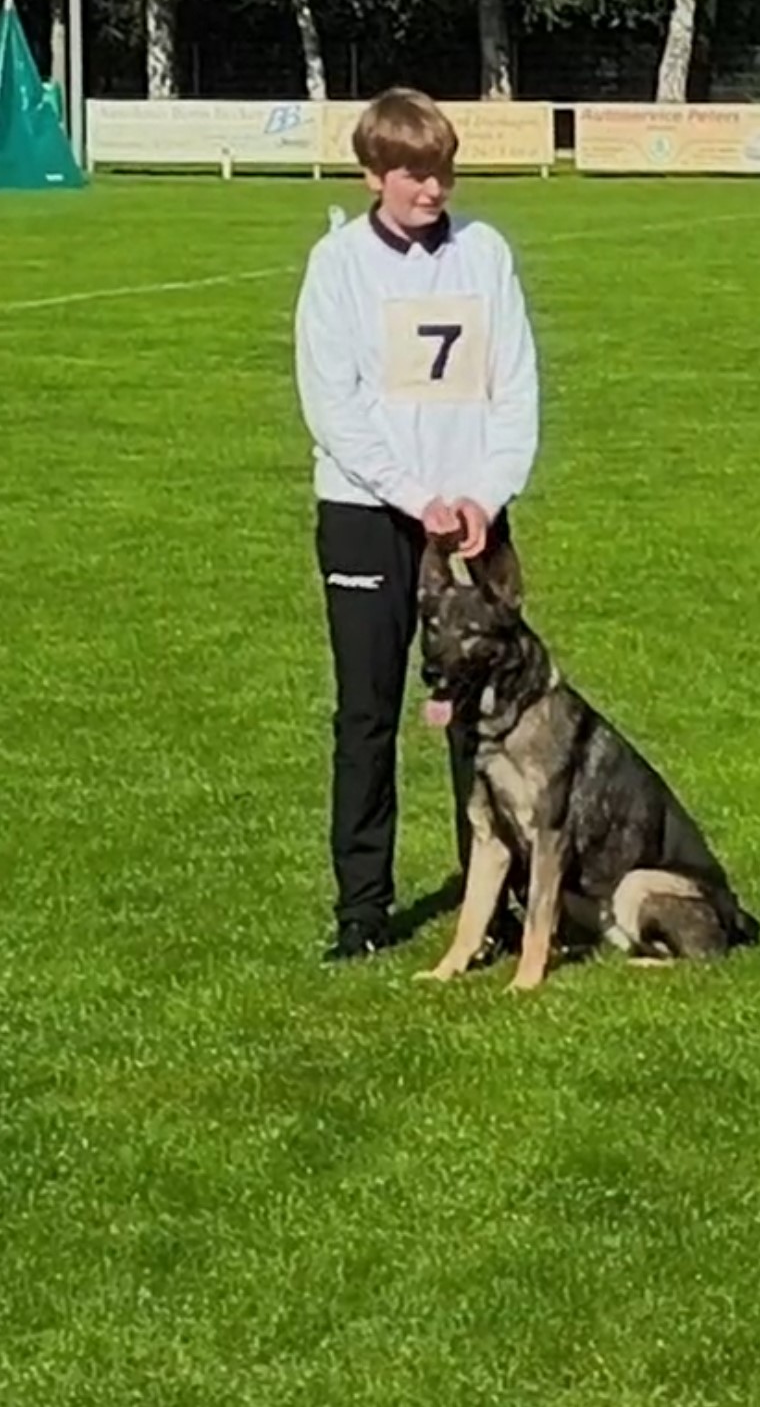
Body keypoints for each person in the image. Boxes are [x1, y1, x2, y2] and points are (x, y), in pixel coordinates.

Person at [294, 86, 539, 962]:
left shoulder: (484, 253)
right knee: (368, 712)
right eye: (414, 175)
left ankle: (494, 903)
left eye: (442, 173)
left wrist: (483, 494)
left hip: (469, 517)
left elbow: (515, 386)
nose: (433, 190)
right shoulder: (338, 266)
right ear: (374, 174)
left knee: (486, 714)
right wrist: (411, 494)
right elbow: (333, 406)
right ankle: (362, 911)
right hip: (367, 514)